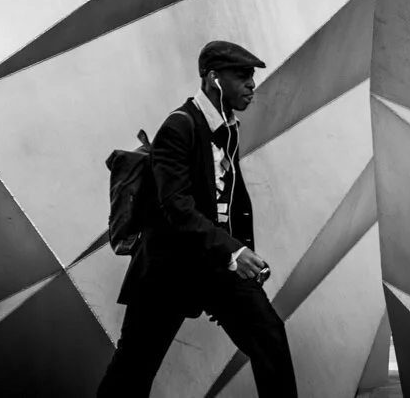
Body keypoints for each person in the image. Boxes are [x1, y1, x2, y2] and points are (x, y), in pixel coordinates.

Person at [97, 40, 298, 397]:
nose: (252, 84)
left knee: (269, 337)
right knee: (134, 368)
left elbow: (227, 202)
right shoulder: (179, 126)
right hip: (169, 269)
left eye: (251, 76)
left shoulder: (227, 129)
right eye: (242, 76)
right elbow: (176, 207)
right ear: (213, 78)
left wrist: (241, 255)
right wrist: (234, 251)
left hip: (215, 264)